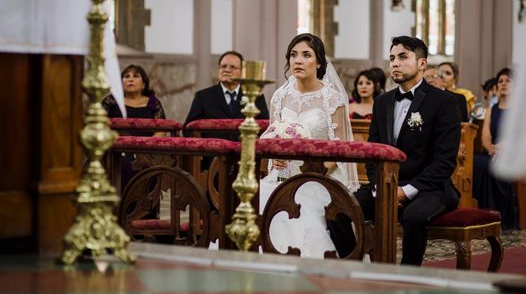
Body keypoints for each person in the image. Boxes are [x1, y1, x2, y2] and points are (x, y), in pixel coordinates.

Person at [329, 36, 461, 265]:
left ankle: (407, 278)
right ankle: (356, 266)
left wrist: (406, 191)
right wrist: (381, 186)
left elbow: (444, 162)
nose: (395, 63)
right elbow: (373, 152)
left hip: (430, 188)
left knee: (413, 217)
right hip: (386, 184)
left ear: (422, 64)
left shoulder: (444, 102)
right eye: (391, 58)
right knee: (336, 211)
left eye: (403, 57)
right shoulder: (383, 102)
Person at [260, 33, 358, 258]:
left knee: (304, 210)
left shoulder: (332, 99)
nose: (298, 60)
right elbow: (272, 136)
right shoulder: (279, 96)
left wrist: (314, 170)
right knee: (260, 203)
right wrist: (276, 157)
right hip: (281, 176)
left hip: (319, 177)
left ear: (320, 62)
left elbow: (342, 150)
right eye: (293, 55)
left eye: (306, 55)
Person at [184, 50, 269, 169]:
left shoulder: (255, 96)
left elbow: (265, 128)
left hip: (247, 160)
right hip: (211, 162)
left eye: (233, 67)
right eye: (223, 66)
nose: (227, 70)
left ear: (242, 72)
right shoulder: (203, 96)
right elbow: (188, 128)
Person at [102, 64, 166, 188]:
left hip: (147, 153)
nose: (130, 79)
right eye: (126, 76)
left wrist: (146, 147)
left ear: (143, 84)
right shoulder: (111, 101)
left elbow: (162, 128)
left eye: (135, 76)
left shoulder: (153, 102)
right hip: (116, 153)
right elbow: (100, 124)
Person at [472, 67, 518, 230]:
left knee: (495, 165)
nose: (503, 83)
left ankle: (499, 217)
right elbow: (485, 136)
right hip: (493, 152)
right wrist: (491, 148)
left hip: (513, 151)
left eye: (508, 80)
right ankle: (481, 214)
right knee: (476, 162)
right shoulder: (491, 109)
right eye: (500, 81)